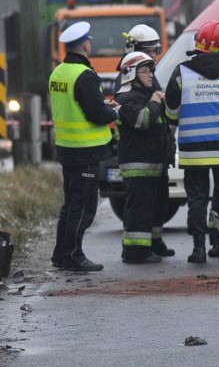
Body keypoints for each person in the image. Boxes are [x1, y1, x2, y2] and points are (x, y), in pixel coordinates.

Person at [164, 20, 219, 264]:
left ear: (197, 44)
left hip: (194, 149)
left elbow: (171, 112)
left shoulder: (181, 73)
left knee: (196, 199)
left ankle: (198, 250)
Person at [48, 22, 118, 272]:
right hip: (85, 150)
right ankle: (73, 255)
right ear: (86, 45)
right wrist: (113, 112)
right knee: (84, 206)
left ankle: (61, 254)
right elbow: (97, 113)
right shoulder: (84, 75)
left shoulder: (58, 72)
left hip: (67, 148)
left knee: (71, 204)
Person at [114, 52, 174, 264]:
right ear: (131, 74)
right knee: (140, 208)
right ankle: (135, 251)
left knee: (157, 206)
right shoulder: (126, 98)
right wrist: (155, 102)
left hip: (155, 163)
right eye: (145, 71)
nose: (150, 75)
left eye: (151, 71)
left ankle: (153, 243)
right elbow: (142, 120)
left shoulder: (146, 96)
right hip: (138, 164)